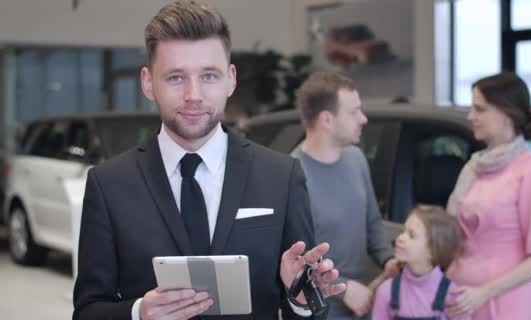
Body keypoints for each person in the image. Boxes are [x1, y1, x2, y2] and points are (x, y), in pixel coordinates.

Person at [72, 1, 345, 319]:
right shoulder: (109, 185)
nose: (194, 94)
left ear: (230, 79)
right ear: (148, 82)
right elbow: (87, 311)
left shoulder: (281, 177)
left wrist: (299, 301)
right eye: (175, 77)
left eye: (209, 76)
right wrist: (138, 313)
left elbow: (306, 302)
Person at [445, 72, 531, 320]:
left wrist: (484, 292)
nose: (471, 116)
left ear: (507, 113)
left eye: (480, 109)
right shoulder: (474, 167)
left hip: (502, 304)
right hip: (459, 299)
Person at [292, 71, 400, 319]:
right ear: (327, 120)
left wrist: (388, 260)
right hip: (318, 308)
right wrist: (344, 289)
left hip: (362, 304)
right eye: (353, 112)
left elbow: (373, 224)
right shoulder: (292, 175)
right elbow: (295, 258)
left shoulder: (356, 158)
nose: (363, 119)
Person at [371, 205, 469, 320]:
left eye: (412, 235)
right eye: (403, 231)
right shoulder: (386, 292)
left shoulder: (452, 295)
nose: (400, 238)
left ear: (433, 250)